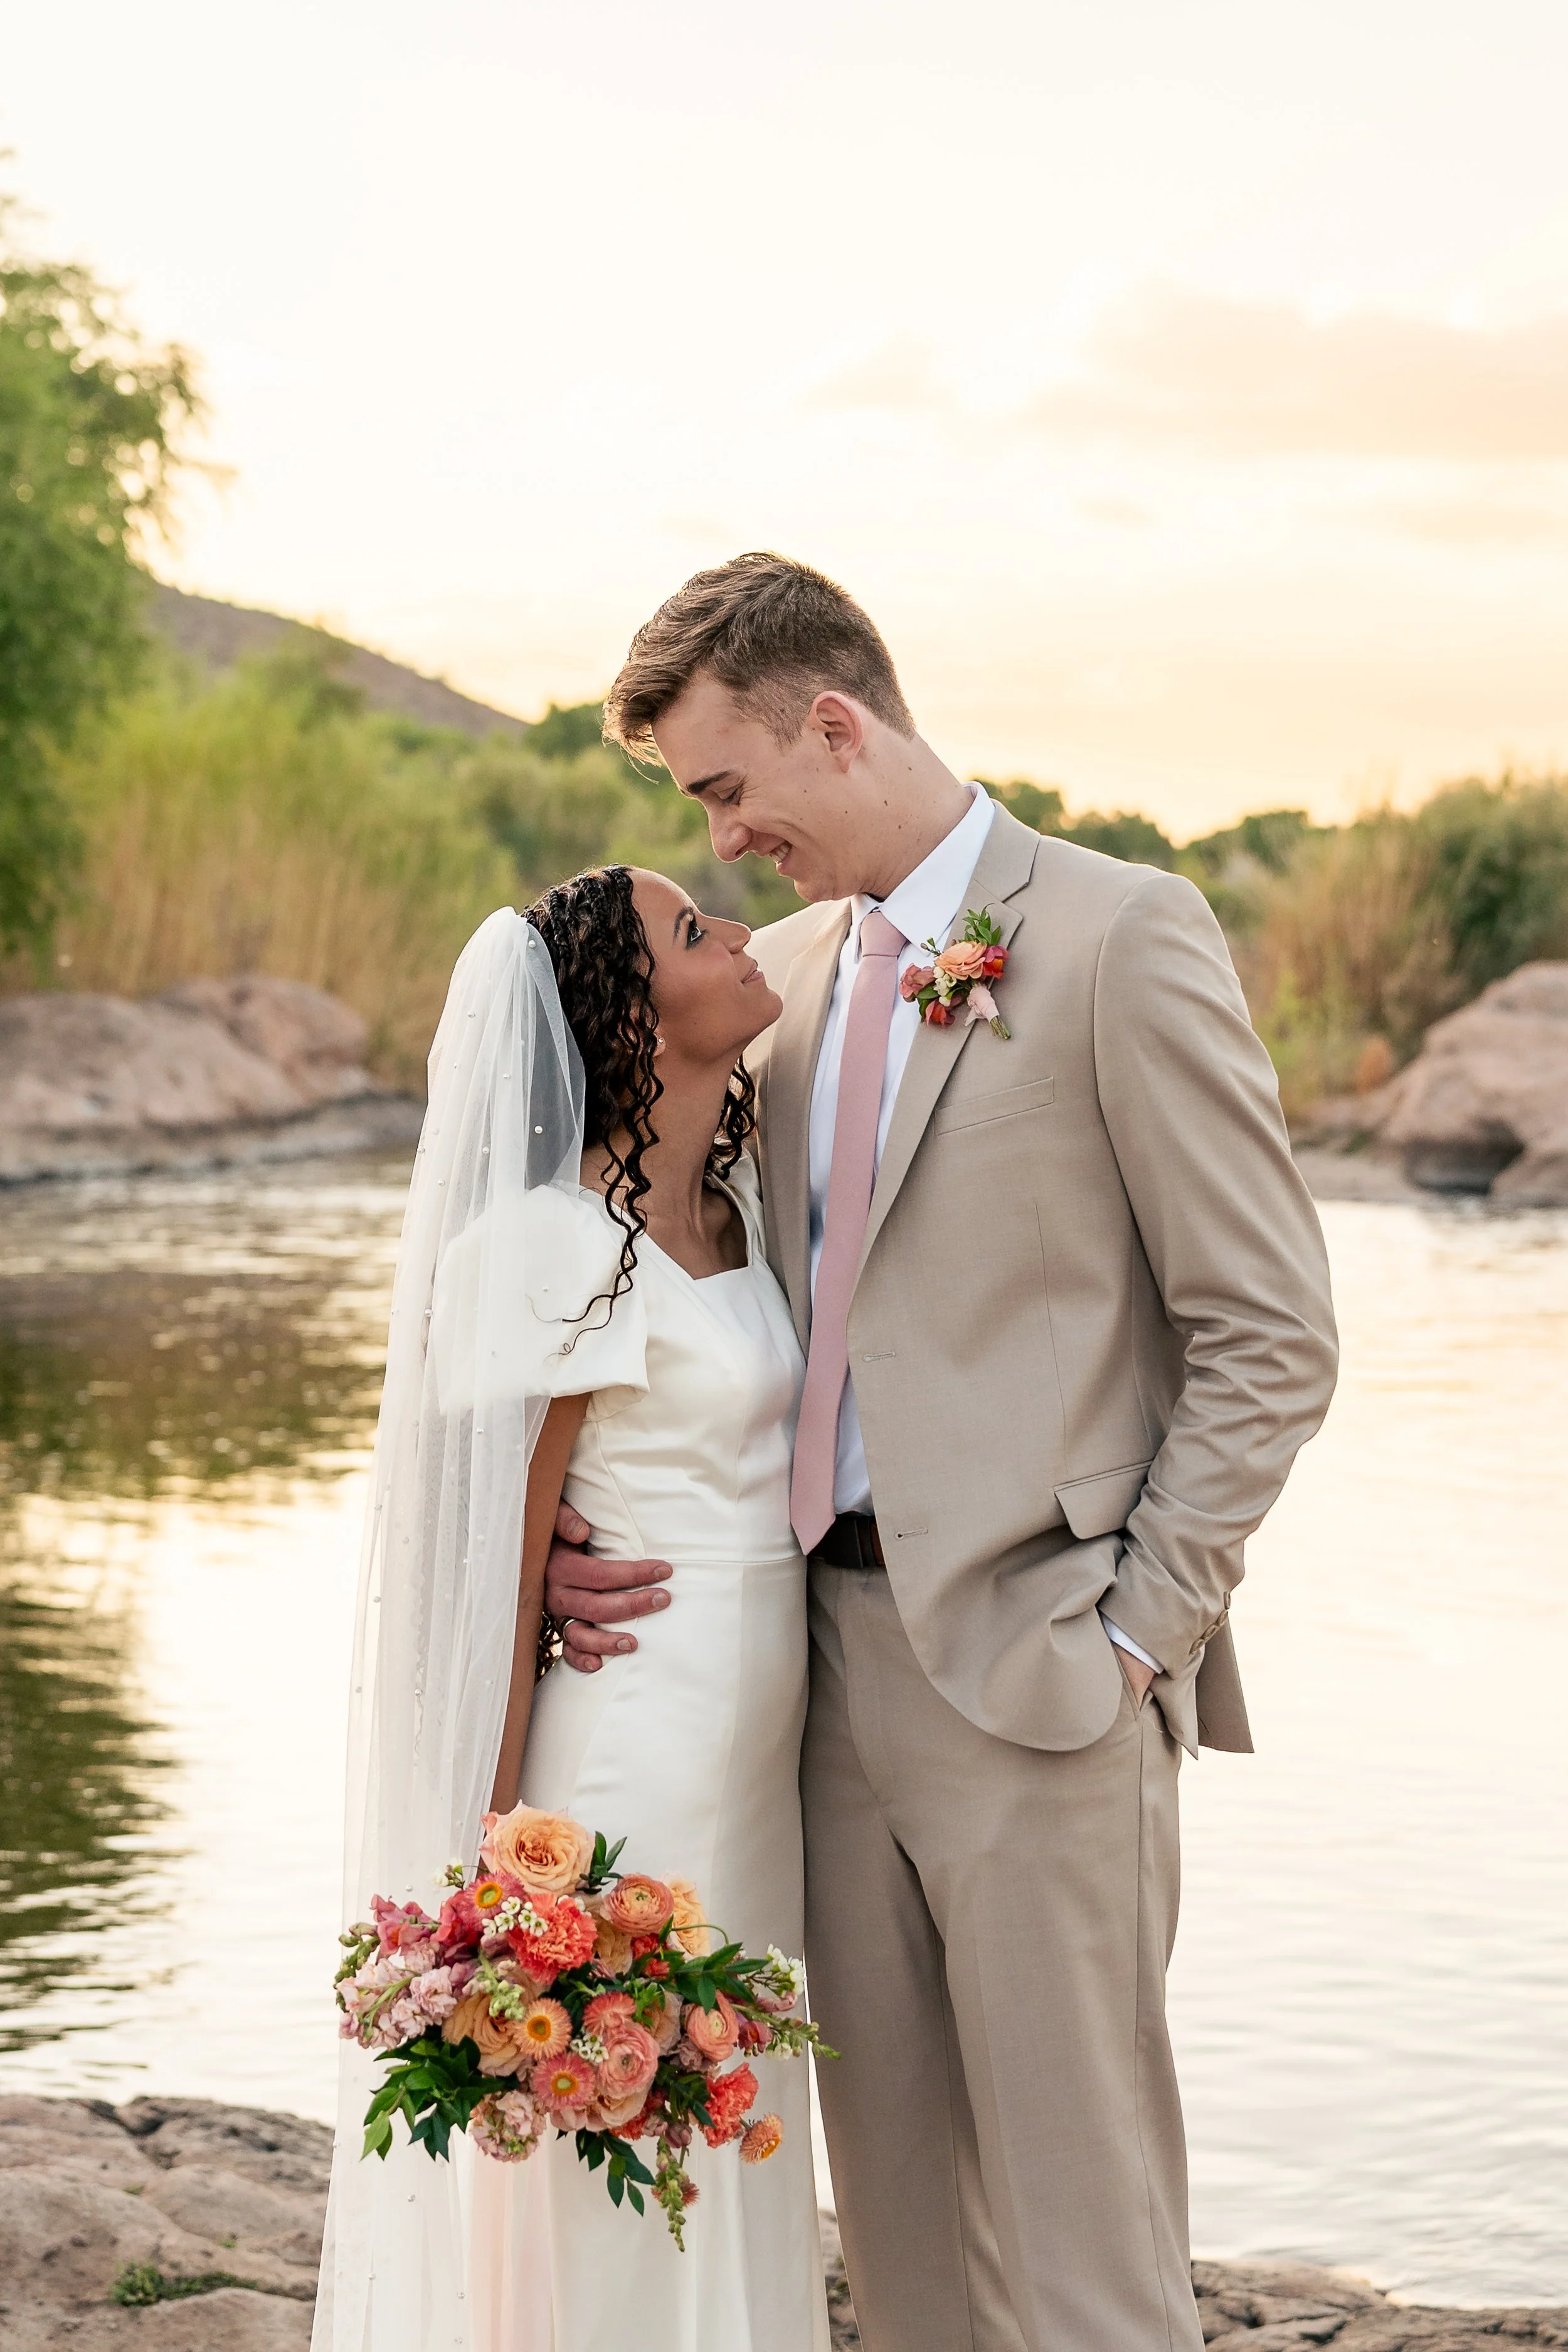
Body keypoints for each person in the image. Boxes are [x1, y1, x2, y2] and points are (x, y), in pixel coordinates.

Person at [544, 554, 1340, 2352]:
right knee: (901, 2252)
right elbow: (669, 1278)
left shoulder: (1124, 933)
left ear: (832, 722)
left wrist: (1145, 1626)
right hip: (804, 1685)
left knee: (1085, 2251)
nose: (727, 835)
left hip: (1046, 1674)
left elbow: (1270, 1329)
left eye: (727, 787)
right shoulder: (792, 975)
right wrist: (555, 1529)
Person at [313, 868, 830, 2352]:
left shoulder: (733, 1209)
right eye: (691, 932)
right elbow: (477, 1566)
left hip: (758, 1770)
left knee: (732, 2122)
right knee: (614, 2152)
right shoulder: (544, 1250)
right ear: (623, 1014)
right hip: (628, 1754)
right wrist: (489, 1913)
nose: (735, 936)